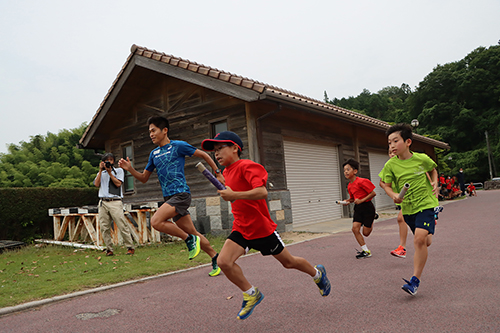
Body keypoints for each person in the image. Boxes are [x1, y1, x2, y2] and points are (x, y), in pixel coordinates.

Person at [201, 131, 331, 320]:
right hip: (241, 228)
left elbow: (261, 192)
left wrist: (234, 195)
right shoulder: (227, 172)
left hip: (261, 229)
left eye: (220, 148)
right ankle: (251, 293)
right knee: (223, 262)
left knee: (289, 262)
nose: (217, 154)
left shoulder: (248, 166)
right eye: (214, 151)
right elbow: (233, 189)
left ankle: (317, 273)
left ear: (235, 148)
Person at [118, 116, 221, 277]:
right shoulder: (154, 154)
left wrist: (217, 173)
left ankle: (188, 240)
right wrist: (130, 169)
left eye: (153, 130)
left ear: (164, 130)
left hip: (181, 194)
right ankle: (215, 257)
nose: (151, 134)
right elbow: (144, 178)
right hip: (169, 198)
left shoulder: (178, 146)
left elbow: (205, 156)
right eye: (149, 132)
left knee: (156, 221)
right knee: (195, 233)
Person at [379, 123, 439, 296]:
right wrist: (393, 196)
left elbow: (433, 169)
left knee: (419, 240)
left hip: (426, 203)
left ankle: (414, 281)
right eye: (389, 142)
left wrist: (435, 181)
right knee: (425, 241)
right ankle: (429, 232)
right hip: (408, 209)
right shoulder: (390, 165)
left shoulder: (421, 158)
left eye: (395, 141)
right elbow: (386, 185)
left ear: (408, 142)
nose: (391, 145)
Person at [94, 153, 135, 256]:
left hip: (115, 201)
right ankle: (109, 249)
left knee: (121, 224)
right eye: (106, 161)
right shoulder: (101, 173)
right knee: (104, 226)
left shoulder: (119, 171)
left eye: (111, 160)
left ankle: (130, 247)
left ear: (114, 161)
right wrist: (100, 170)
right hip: (103, 201)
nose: (109, 162)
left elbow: (118, 184)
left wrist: (110, 173)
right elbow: (96, 184)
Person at [341, 159, 377, 259]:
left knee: (366, 233)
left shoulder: (362, 181)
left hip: (367, 207)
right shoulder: (349, 185)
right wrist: (348, 201)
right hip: (358, 208)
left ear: (355, 171)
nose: (346, 172)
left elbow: (373, 193)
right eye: (344, 170)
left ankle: (373, 216)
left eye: (348, 169)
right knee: (355, 229)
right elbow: (353, 198)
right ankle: (366, 251)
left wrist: (361, 200)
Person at [380, 150, 407, 258]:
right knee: (426, 239)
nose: (391, 155)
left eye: (393, 153)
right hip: (400, 198)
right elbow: (381, 182)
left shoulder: (407, 163)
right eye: (389, 153)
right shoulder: (388, 166)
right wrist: (391, 192)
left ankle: (402, 248)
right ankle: (431, 219)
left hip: (413, 197)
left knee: (401, 218)